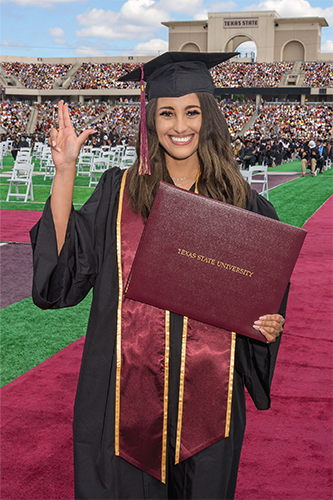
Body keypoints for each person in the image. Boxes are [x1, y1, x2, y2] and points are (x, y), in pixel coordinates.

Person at [30, 52, 287, 500]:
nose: (179, 125)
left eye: (191, 111)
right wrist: (66, 171)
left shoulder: (242, 203)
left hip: (210, 406)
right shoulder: (119, 191)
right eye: (166, 113)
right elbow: (64, 275)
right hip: (123, 394)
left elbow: (264, 299)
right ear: (151, 120)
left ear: (208, 117)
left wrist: (267, 325)